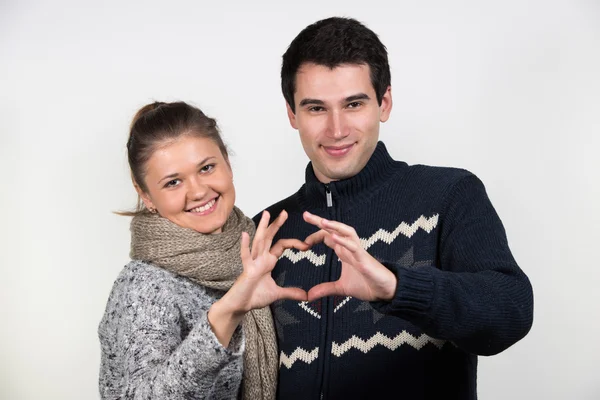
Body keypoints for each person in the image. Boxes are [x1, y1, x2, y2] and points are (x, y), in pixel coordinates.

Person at [254, 17, 534, 399]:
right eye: (316, 108)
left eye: (354, 104)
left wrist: (397, 288)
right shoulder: (267, 232)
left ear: (384, 102)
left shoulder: (448, 195)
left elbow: (510, 311)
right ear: (292, 114)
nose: (337, 130)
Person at [98, 101, 308, 399]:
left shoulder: (253, 253)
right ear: (146, 195)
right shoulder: (145, 285)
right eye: (173, 182)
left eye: (207, 168)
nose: (197, 191)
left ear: (228, 163)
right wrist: (227, 312)